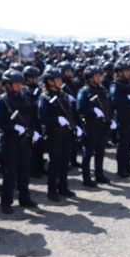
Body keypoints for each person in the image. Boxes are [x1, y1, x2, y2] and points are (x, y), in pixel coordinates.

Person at [0, 70, 39, 213]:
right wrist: (13, 126)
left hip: (25, 140)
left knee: (25, 171)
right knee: (10, 173)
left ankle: (24, 198)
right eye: (15, 83)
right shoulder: (1, 100)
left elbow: (32, 117)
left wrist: (35, 130)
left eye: (20, 82)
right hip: (9, 141)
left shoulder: (25, 98)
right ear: (8, 85)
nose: (19, 85)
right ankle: (6, 202)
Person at [39, 66, 80, 200]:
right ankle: (52, 191)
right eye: (56, 79)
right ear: (50, 81)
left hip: (66, 133)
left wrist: (76, 126)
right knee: (55, 163)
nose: (59, 81)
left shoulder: (62, 94)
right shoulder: (45, 97)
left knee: (65, 162)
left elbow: (70, 113)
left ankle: (63, 187)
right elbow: (42, 118)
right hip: (54, 134)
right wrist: (55, 119)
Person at [76, 65, 112, 186]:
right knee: (88, 152)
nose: (99, 78)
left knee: (100, 151)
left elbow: (108, 106)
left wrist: (110, 119)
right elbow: (80, 108)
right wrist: (92, 110)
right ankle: (86, 178)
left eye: (99, 75)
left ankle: (99, 174)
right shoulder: (84, 91)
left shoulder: (102, 89)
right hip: (90, 125)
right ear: (89, 78)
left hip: (102, 124)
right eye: (96, 76)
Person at [110, 60, 130, 176]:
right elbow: (114, 101)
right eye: (126, 71)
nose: (128, 73)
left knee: (129, 143)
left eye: (129, 71)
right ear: (119, 72)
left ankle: (127, 166)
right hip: (122, 117)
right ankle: (121, 168)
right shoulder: (116, 85)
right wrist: (127, 99)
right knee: (122, 144)